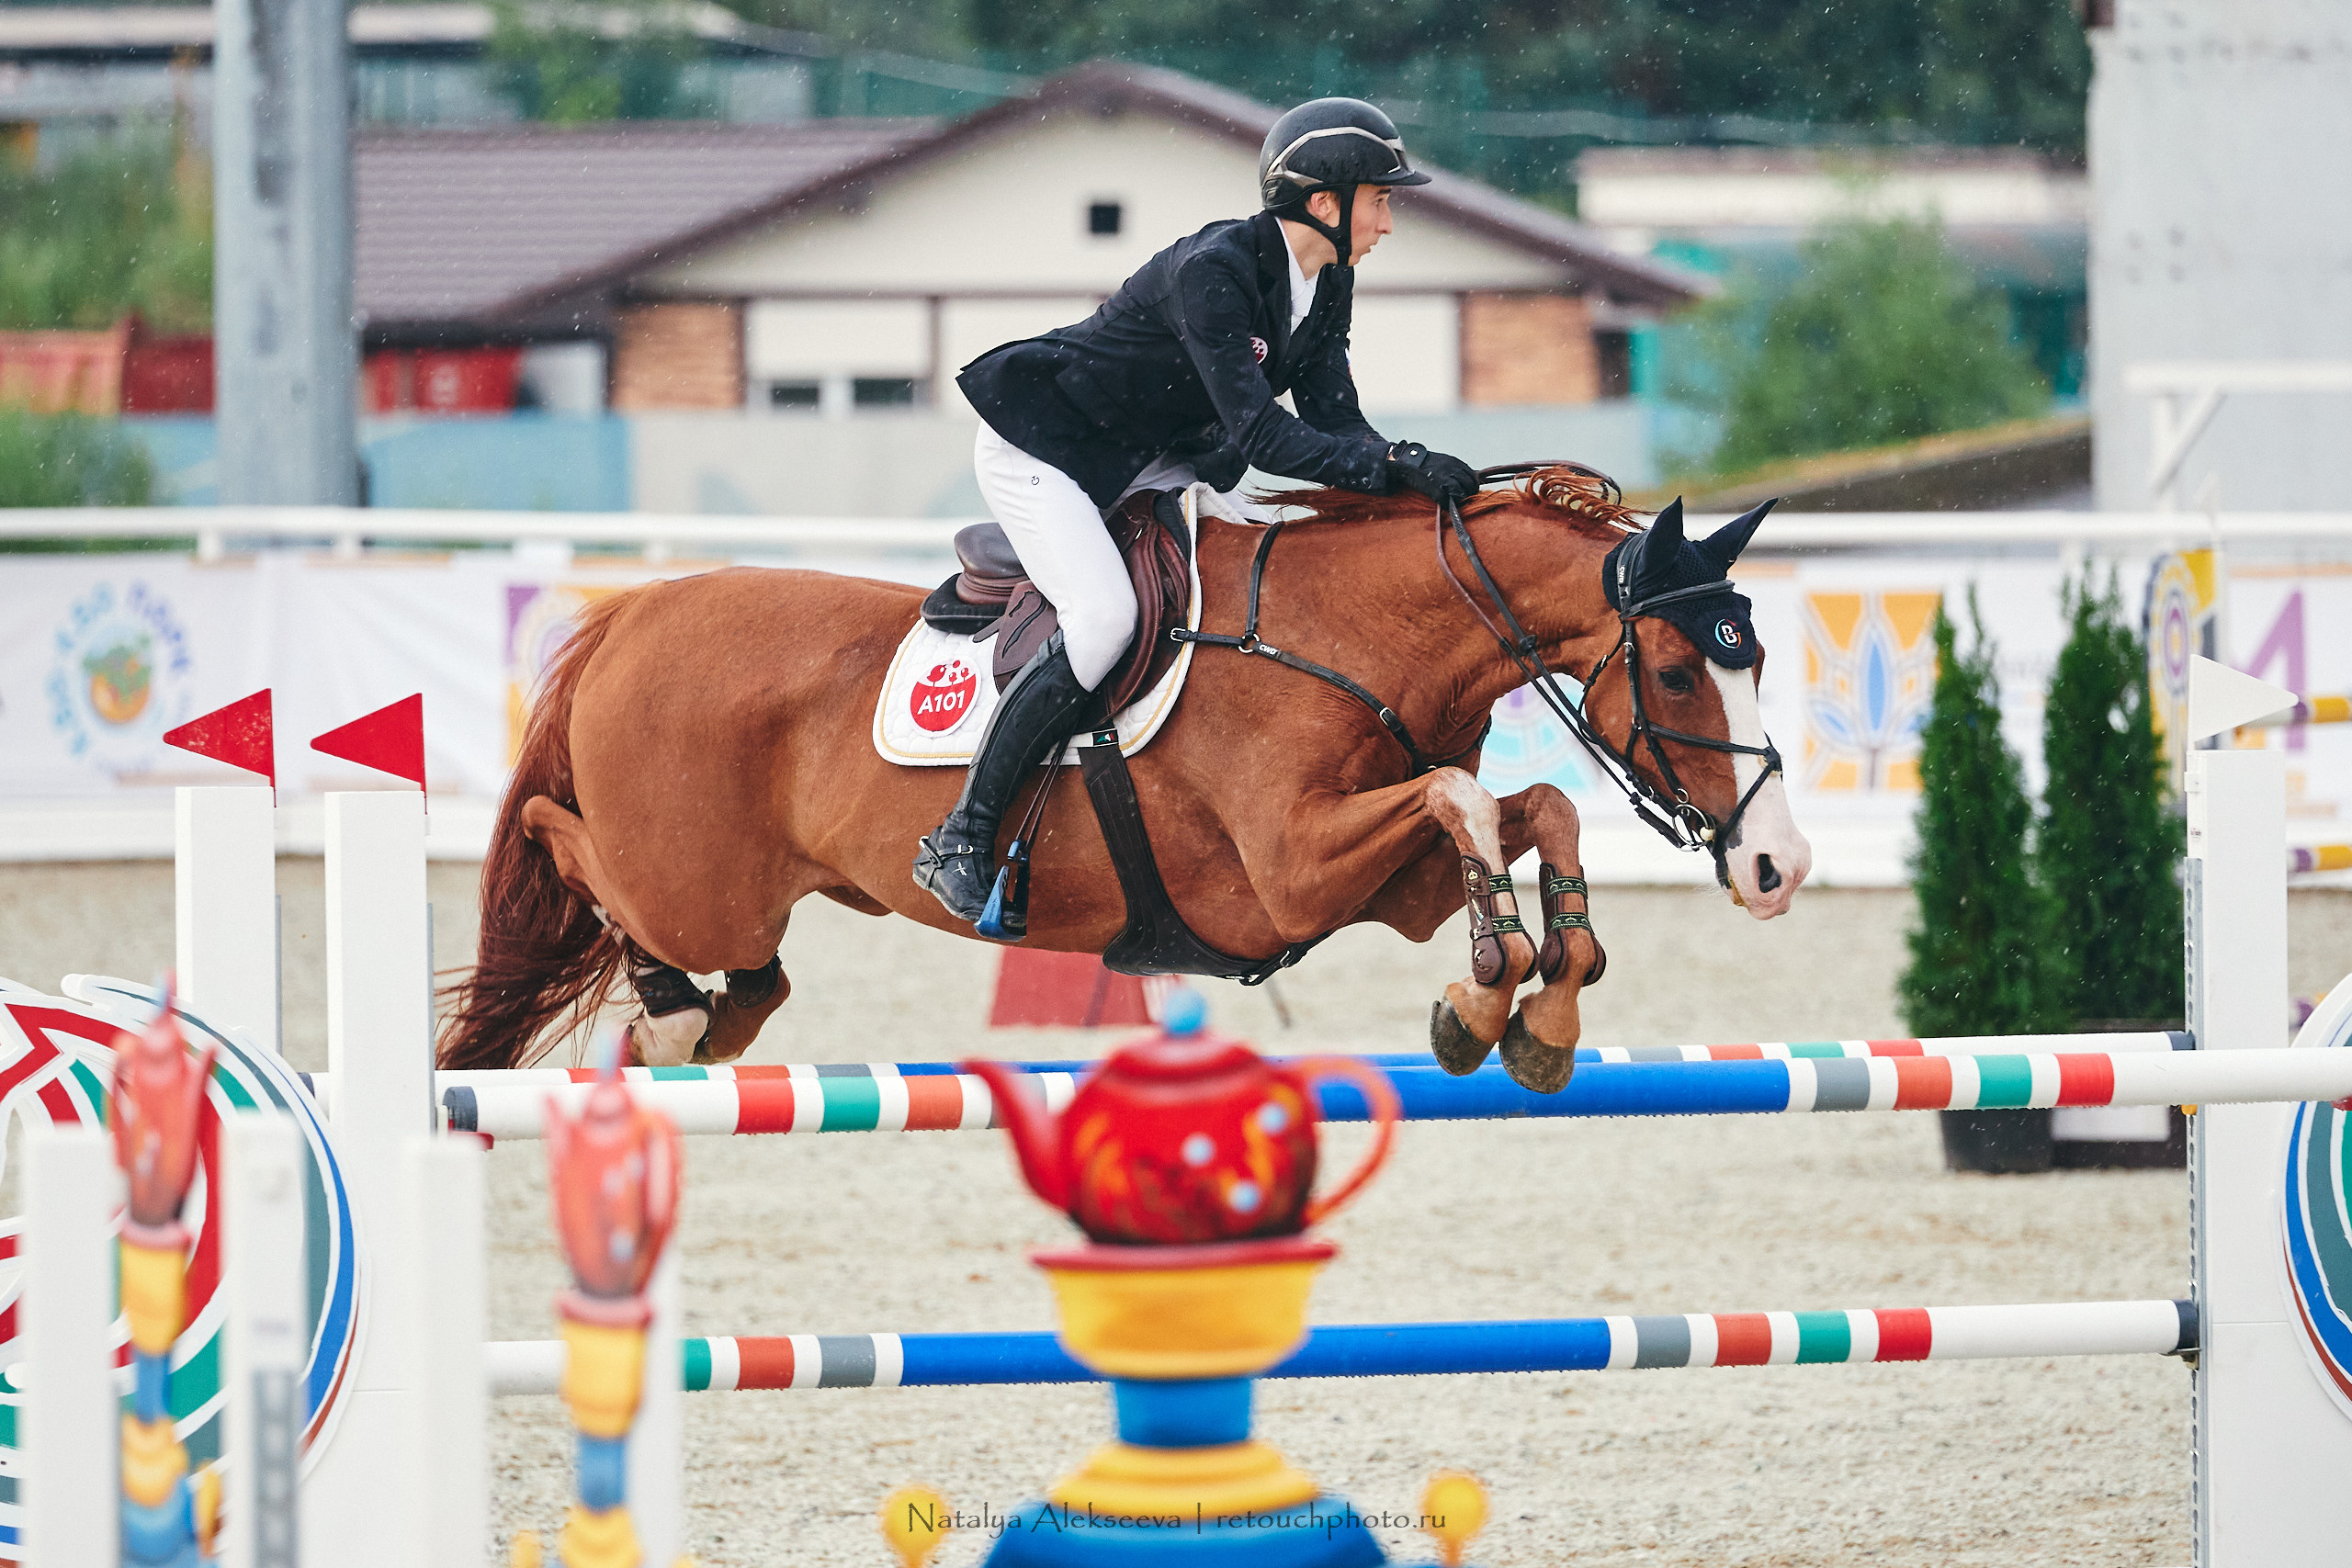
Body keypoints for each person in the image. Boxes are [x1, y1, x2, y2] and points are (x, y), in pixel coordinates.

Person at [913, 96, 1483, 927]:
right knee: (1106, 616)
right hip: (1050, 451)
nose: (1390, 221)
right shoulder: (1213, 271)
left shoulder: (1329, 282)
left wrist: (1408, 479)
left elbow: (1333, 420)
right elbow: (1263, 433)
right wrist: (1391, 465)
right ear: (1325, 203)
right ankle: (960, 834)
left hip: (1170, 455)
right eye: (1383, 198)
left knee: (1279, 558)